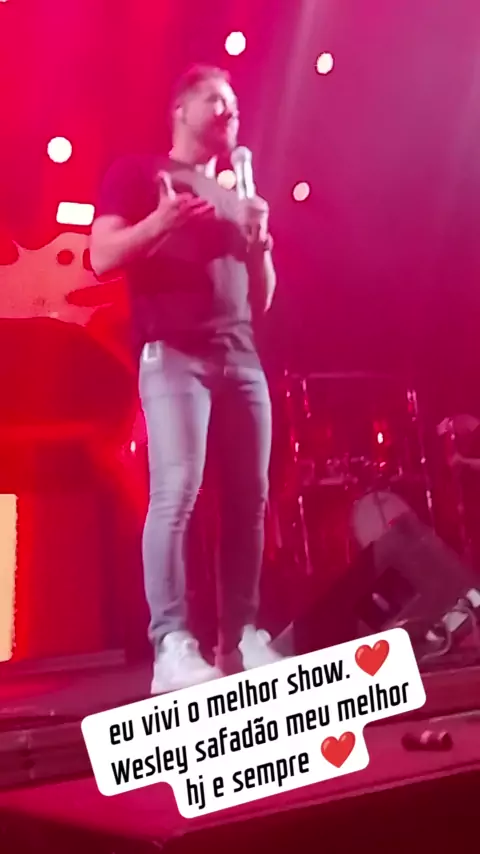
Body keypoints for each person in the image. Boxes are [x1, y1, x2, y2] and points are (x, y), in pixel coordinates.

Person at [90, 64, 282, 693]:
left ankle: (240, 639)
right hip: (173, 355)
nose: (230, 110)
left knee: (248, 502)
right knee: (176, 493)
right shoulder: (140, 174)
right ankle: (171, 646)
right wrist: (160, 224)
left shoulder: (235, 195)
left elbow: (262, 299)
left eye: (235, 102)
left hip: (241, 357)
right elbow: (101, 256)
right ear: (182, 108)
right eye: (216, 100)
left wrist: (259, 242)